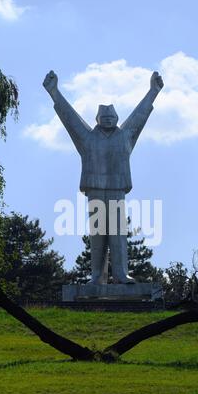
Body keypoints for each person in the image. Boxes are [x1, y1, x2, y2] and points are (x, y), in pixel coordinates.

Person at [43, 69, 164, 284]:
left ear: (117, 118)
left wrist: (153, 91)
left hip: (117, 189)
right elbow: (70, 119)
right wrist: (54, 93)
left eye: (112, 117)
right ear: (97, 119)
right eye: (104, 117)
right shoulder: (87, 138)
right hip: (95, 189)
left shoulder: (125, 135)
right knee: (97, 235)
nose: (108, 120)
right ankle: (97, 275)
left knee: (117, 235)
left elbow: (140, 116)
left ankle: (120, 273)